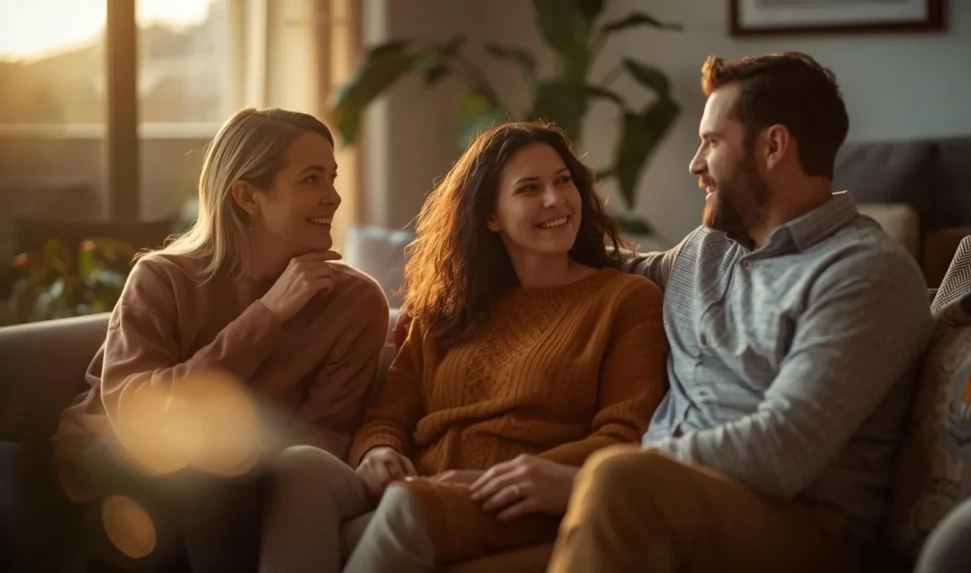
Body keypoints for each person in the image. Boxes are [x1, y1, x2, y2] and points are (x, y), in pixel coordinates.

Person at [545, 52, 936, 573]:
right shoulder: (710, 247)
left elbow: (783, 450)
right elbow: (618, 271)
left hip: (799, 525)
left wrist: (595, 476)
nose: (695, 164)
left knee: (614, 481)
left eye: (711, 142)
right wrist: (514, 247)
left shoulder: (865, 273)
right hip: (655, 504)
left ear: (773, 146)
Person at [258, 121, 669, 573]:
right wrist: (378, 452)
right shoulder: (444, 309)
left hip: (519, 494)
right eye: (529, 188)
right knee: (301, 468)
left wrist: (498, 476)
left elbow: (625, 431)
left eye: (563, 181)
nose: (555, 200)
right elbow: (389, 416)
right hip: (419, 485)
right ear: (490, 216)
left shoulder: (625, 300)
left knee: (405, 510)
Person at [48, 108, 390, 572]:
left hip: (241, 473)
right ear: (247, 196)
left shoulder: (355, 301)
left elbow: (324, 435)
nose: (333, 197)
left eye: (331, 178)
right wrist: (267, 316)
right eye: (311, 180)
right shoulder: (161, 278)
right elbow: (138, 415)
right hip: (115, 453)